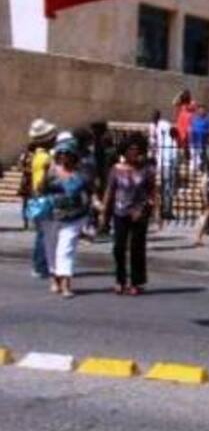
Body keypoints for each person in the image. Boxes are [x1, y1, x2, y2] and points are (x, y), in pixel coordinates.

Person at [101, 134, 157, 295]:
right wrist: (104, 213)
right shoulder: (116, 170)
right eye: (131, 149)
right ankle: (120, 279)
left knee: (137, 248)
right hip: (120, 212)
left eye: (137, 149)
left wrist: (148, 209)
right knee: (119, 247)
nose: (134, 152)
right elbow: (109, 191)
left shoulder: (146, 170)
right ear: (124, 151)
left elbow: (152, 191)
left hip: (139, 212)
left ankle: (136, 281)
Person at [41, 134, 92, 298]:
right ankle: (55, 277)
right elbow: (40, 190)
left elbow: (88, 191)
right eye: (61, 153)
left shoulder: (81, 173)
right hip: (51, 215)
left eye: (67, 153)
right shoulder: (51, 171)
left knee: (66, 249)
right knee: (52, 248)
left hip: (74, 216)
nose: (64, 157)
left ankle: (66, 284)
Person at [22, 119, 57, 280]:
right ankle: (42, 266)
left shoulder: (36, 155)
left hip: (36, 197)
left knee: (41, 233)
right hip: (44, 197)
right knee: (45, 235)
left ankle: (40, 265)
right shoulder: (46, 158)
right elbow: (44, 180)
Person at [188, 104, 209, 173]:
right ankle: (193, 171)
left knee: (202, 158)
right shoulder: (194, 119)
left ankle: (201, 170)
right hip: (193, 142)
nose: (201, 111)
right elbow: (190, 129)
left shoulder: (208, 120)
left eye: (203, 110)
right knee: (193, 157)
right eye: (200, 110)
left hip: (203, 142)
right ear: (198, 111)